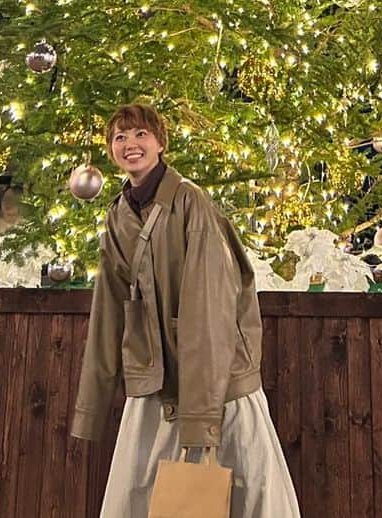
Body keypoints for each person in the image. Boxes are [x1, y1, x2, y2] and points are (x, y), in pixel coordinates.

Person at [72, 104, 300, 517]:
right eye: (120, 138)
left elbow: (209, 309)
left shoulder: (191, 203)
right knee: (139, 492)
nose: (130, 145)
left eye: (141, 134)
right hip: (157, 378)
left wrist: (201, 415)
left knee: (247, 488)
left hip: (217, 380)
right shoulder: (119, 215)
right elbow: (107, 312)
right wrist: (92, 407)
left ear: (161, 143)